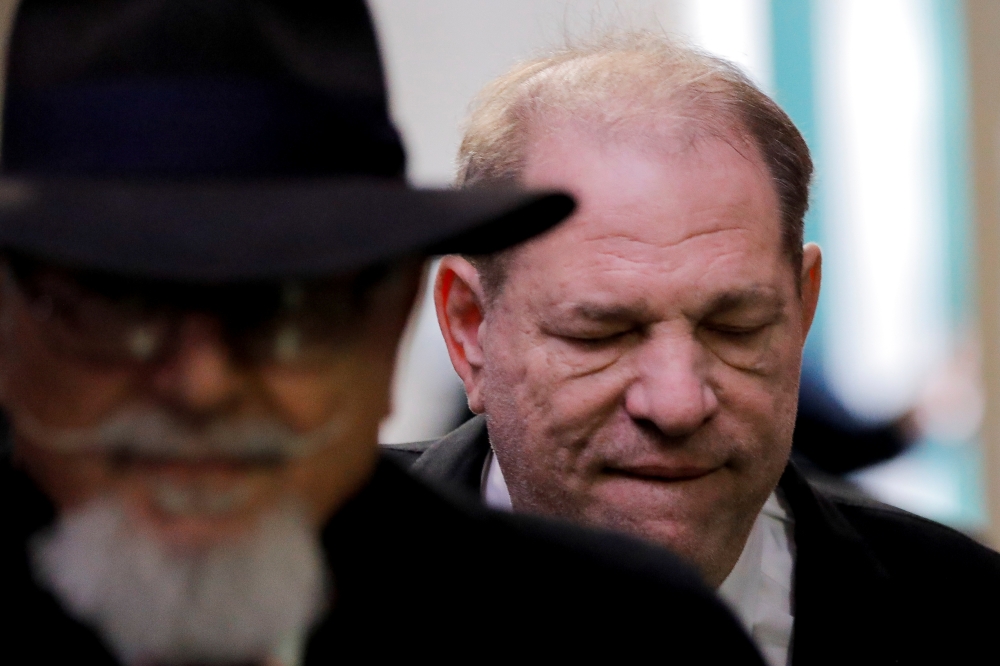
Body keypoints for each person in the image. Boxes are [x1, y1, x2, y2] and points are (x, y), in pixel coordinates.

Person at [0, 5, 765, 665]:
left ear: (390, 322)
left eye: (285, 310)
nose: (201, 384)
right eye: (118, 306)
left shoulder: (625, 640)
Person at [387, 35, 1000, 665]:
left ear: (801, 312)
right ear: (470, 330)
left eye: (736, 327)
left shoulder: (968, 617)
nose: (678, 403)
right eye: (602, 334)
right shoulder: (307, 579)